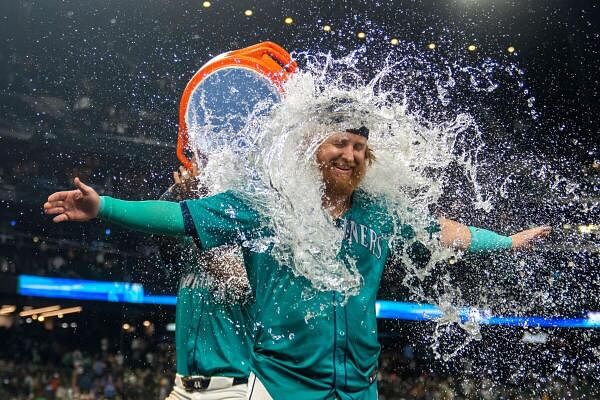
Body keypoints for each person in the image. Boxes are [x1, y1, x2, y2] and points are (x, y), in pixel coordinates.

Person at [44, 121, 550, 400]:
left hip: (358, 390)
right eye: (339, 142)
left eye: (359, 146)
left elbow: (446, 233)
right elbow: (183, 216)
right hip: (279, 388)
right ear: (313, 147)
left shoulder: (383, 214)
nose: (350, 154)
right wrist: (103, 206)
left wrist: (507, 243)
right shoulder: (271, 202)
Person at [155, 161, 253, 400]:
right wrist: (178, 193)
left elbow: (239, 283)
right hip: (182, 386)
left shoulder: (247, 235)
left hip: (232, 390)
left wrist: (198, 212)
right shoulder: (187, 240)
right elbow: (156, 222)